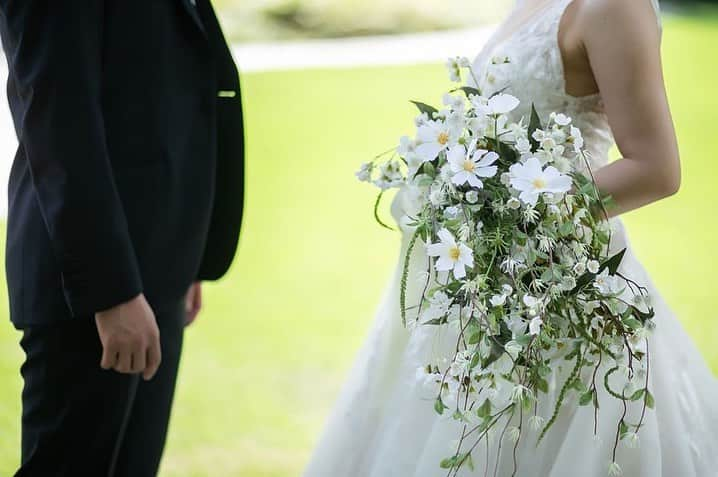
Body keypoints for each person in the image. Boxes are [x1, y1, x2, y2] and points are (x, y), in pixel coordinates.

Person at [304, 0, 718, 475]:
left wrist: (509, 218)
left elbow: (656, 168)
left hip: (554, 291)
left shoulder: (615, 7)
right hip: (488, 289)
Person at [0, 0, 244, 475]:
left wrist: (184, 257)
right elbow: (57, 119)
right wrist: (112, 292)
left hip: (158, 269)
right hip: (93, 289)